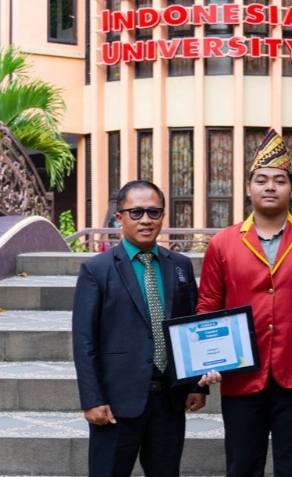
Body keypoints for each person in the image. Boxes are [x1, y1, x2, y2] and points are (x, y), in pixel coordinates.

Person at [197, 129, 292, 477]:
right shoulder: (222, 243)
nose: (270, 187)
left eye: (280, 180)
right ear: (248, 188)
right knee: (241, 467)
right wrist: (208, 357)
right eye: (262, 180)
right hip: (241, 372)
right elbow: (208, 305)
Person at [73, 180, 210, 477]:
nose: (145, 220)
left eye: (153, 212)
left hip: (169, 401)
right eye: (135, 212)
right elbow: (84, 341)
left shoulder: (180, 265)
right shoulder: (97, 269)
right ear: (119, 218)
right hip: (116, 402)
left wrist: (196, 385)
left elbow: (192, 328)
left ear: (163, 216)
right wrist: (92, 399)